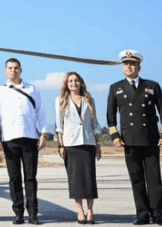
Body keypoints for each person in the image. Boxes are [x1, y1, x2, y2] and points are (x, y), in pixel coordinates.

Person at [107, 50, 162, 226]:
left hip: (150, 138)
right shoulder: (115, 88)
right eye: (126, 63)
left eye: (133, 63)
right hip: (129, 140)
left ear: (139, 67)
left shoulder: (152, 85)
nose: (129, 66)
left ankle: (158, 215)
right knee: (136, 179)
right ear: (122, 67)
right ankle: (142, 215)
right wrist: (115, 136)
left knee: (154, 179)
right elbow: (111, 116)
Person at [0, 58, 48, 225]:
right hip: (10, 139)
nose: (13, 71)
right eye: (10, 68)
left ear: (20, 70)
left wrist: (44, 133)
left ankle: (33, 214)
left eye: (15, 68)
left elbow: (41, 112)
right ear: (5, 71)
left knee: (30, 178)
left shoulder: (32, 89)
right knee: (14, 177)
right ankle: (18, 213)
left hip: (30, 138)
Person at [55, 72, 102, 224]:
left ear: (81, 83)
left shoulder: (89, 100)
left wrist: (98, 144)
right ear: (66, 84)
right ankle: (80, 210)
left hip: (88, 143)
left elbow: (94, 123)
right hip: (71, 144)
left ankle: (90, 210)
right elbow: (59, 125)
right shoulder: (61, 101)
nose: (74, 83)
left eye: (76, 80)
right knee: (75, 179)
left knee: (89, 178)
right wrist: (61, 144)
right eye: (70, 81)